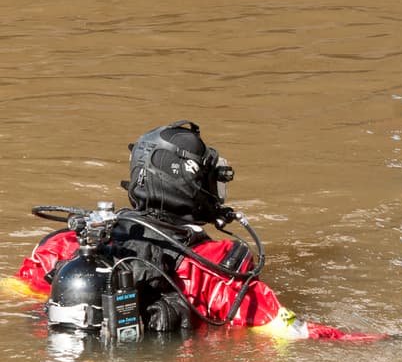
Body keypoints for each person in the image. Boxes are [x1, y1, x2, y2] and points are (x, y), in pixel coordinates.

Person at [12, 121, 379, 343]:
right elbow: (289, 332)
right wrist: (388, 340)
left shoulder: (71, 244)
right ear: (194, 186)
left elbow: (16, 295)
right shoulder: (213, 269)